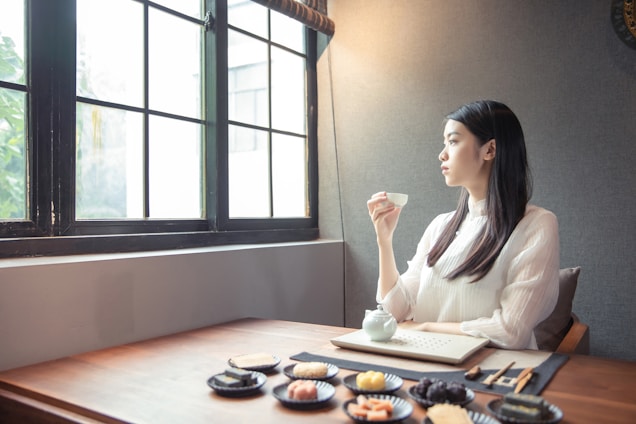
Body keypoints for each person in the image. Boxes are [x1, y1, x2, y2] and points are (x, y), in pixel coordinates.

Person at [366, 100, 559, 350]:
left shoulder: (537, 225)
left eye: (453, 141)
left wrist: (424, 327)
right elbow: (397, 310)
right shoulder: (440, 226)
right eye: (444, 142)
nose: (442, 154)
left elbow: (511, 332)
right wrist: (384, 241)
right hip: (428, 365)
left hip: (494, 372)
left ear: (490, 150)